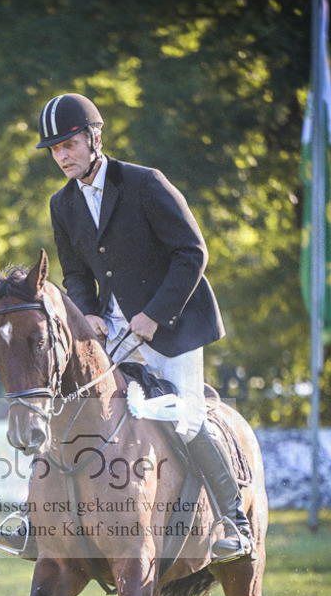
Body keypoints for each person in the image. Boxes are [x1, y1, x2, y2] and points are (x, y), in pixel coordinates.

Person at [36, 93, 254, 562]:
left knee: (187, 417)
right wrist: (86, 309)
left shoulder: (144, 183)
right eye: (54, 150)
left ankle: (234, 521)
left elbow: (192, 253)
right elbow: (75, 271)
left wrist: (154, 314)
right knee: (68, 409)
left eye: (69, 144)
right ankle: (37, 522)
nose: (62, 156)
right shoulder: (62, 204)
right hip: (112, 330)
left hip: (172, 326)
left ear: (95, 138)